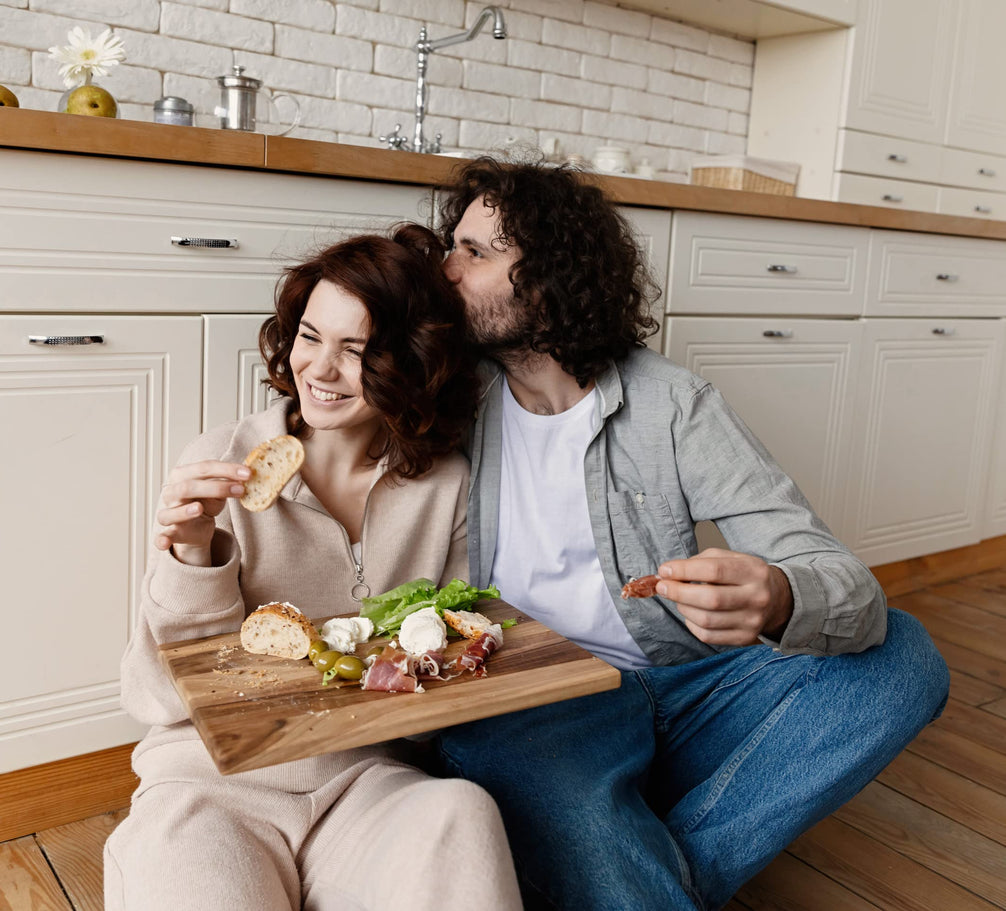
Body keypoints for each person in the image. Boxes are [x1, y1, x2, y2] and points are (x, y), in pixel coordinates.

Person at [430, 157, 951, 911]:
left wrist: (776, 595)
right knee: (515, 765)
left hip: (683, 683)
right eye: (454, 245)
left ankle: (641, 861)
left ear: (546, 278)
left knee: (905, 659)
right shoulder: (448, 397)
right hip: (538, 696)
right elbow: (323, 400)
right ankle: (619, 848)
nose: (446, 269)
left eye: (476, 253)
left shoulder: (672, 405)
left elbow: (846, 586)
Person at [104, 223, 522, 911]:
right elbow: (156, 697)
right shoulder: (222, 465)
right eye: (309, 335)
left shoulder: (446, 484)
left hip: (368, 782)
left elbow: (434, 695)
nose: (321, 370)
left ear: (413, 362)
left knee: (463, 813)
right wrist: (192, 554)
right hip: (212, 785)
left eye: (356, 350)